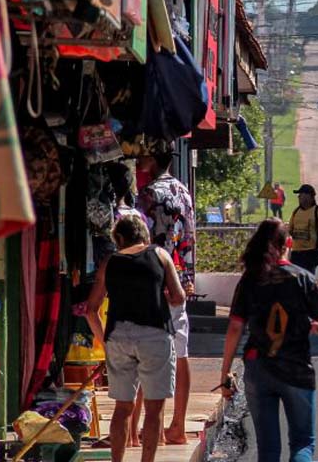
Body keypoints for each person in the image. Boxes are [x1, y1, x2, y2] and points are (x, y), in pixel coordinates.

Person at [220, 219, 318, 462]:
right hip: (296, 367)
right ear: (289, 244)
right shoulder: (304, 279)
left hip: (258, 366)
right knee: (302, 443)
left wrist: (225, 374)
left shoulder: (250, 280)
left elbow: (235, 327)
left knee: (268, 449)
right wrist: (314, 328)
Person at [86, 214, 185, 462]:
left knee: (122, 407)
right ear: (144, 234)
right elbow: (179, 297)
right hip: (155, 335)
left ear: (119, 238)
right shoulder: (160, 255)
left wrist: (105, 341)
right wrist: (161, 297)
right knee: (154, 408)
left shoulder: (110, 262)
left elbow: (90, 310)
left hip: (119, 336)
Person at [135, 144, 195, 445]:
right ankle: (177, 426)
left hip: (153, 283)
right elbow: (189, 238)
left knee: (146, 354)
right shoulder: (184, 191)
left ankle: (144, 429)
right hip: (179, 282)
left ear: (154, 159)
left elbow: (139, 242)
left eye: (144, 153)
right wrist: (187, 279)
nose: (139, 157)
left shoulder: (148, 195)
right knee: (180, 353)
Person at [288, 185, 318, 274]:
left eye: (301, 195)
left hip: (310, 252)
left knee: (308, 277)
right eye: (299, 195)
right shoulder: (296, 212)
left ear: (309, 196)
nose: (299, 197)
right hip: (296, 252)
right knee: (295, 278)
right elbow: (290, 230)